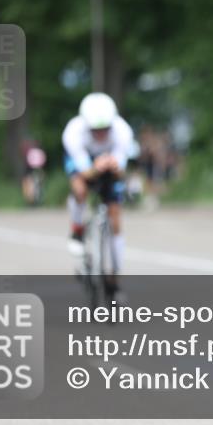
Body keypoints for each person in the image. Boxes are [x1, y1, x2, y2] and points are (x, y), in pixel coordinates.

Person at [62, 92, 134, 301]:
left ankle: (114, 281)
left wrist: (113, 166)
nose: (101, 134)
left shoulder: (122, 131)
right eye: (96, 130)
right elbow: (83, 172)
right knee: (80, 189)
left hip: (110, 164)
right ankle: (77, 229)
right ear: (86, 126)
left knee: (115, 217)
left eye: (105, 129)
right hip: (85, 164)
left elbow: (121, 170)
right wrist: (95, 168)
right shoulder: (73, 133)